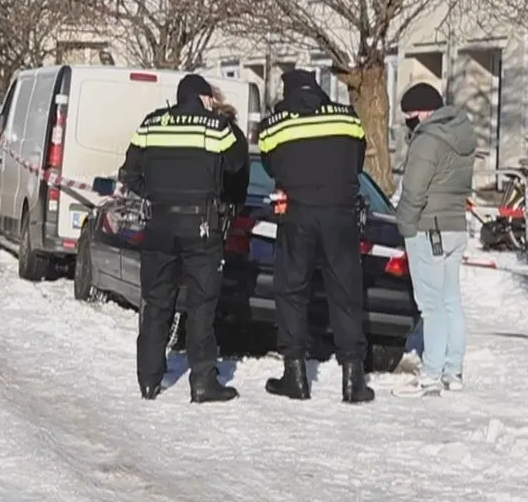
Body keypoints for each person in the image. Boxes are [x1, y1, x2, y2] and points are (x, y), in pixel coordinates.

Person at [120, 74, 251, 402]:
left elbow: (129, 174)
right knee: (201, 304)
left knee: (156, 301)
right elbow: (237, 165)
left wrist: (155, 195)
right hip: (201, 227)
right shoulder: (216, 127)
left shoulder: (151, 124)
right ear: (205, 98)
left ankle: (148, 379)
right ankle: (203, 381)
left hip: (159, 225)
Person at [254, 69, 373, 403]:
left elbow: (270, 166)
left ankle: (295, 377)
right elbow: (357, 161)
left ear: (287, 92)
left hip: (298, 214)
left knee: (291, 291)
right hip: (340, 213)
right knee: (346, 293)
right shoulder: (347, 117)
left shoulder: (275, 125)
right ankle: (354, 380)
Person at [392, 83, 476, 398]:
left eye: (410, 115)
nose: (409, 122)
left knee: (431, 305)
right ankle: (453, 371)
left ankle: (431, 374)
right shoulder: (462, 134)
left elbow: (413, 191)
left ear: (424, 112)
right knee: (451, 300)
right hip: (455, 226)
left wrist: (404, 226)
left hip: (428, 228)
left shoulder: (427, 140)